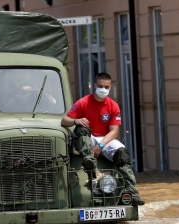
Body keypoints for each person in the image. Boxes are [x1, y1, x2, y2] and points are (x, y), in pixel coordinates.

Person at [61, 72, 145, 206]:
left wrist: (100, 146)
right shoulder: (84, 102)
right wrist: (76, 121)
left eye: (106, 87)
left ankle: (131, 192)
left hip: (105, 138)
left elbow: (114, 131)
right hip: (87, 136)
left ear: (110, 87)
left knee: (122, 153)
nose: (103, 89)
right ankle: (89, 160)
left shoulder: (113, 106)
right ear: (95, 85)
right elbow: (64, 120)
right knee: (81, 129)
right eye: (101, 86)